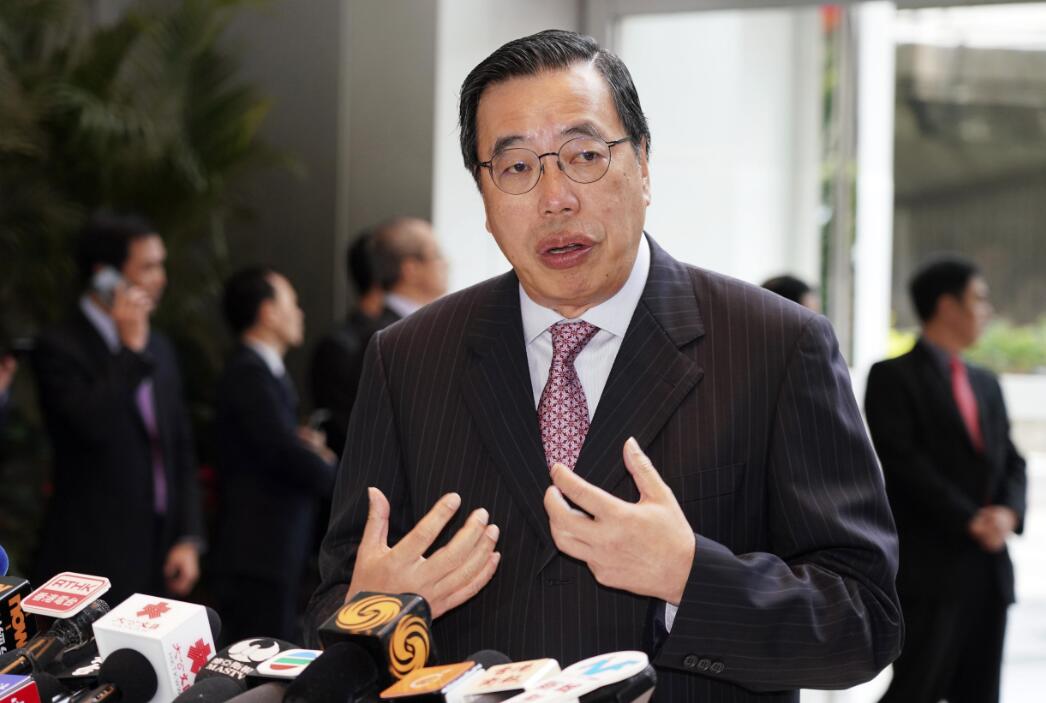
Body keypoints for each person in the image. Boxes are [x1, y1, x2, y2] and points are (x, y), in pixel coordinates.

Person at [306, 30, 901, 701]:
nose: (555, 197)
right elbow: (336, 603)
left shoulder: (776, 345)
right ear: (484, 196)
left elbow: (863, 621)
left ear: (642, 164)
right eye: (517, 167)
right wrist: (370, 615)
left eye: (584, 155)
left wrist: (688, 575)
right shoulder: (408, 357)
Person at [866, 256, 1026, 703]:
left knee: (981, 692)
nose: (987, 310)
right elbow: (903, 463)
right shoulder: (891, 377)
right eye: (979, 299)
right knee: (917, 687)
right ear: (947, 306)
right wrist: (969, 519)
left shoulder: (985, 382)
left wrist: (1008, 513)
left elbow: (1012, 460)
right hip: (931, 568)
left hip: (988, 569)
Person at [32, 213, 203, 604]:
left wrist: (188, 536)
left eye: (161, 265)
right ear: (104, 275)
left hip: (160, 552)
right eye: (147, 267)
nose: (160, 278)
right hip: (91, 555)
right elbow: (90, 426)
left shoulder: (160, 346)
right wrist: (129, 352)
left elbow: (179, 445)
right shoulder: (59, 345)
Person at [211, 267, 336, 643]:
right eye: (292, 303)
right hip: (258, 550)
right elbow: (281, 451)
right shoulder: (249, 372)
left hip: (272, 548)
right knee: (260, 652)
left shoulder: (264, 369)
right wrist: (334, 472)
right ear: (267, 313)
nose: (300, 313)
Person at [309, 217, 447, 456]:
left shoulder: (422, 327)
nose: (446, 263)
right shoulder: (389, 336)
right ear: (410, 269)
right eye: (437, 255)